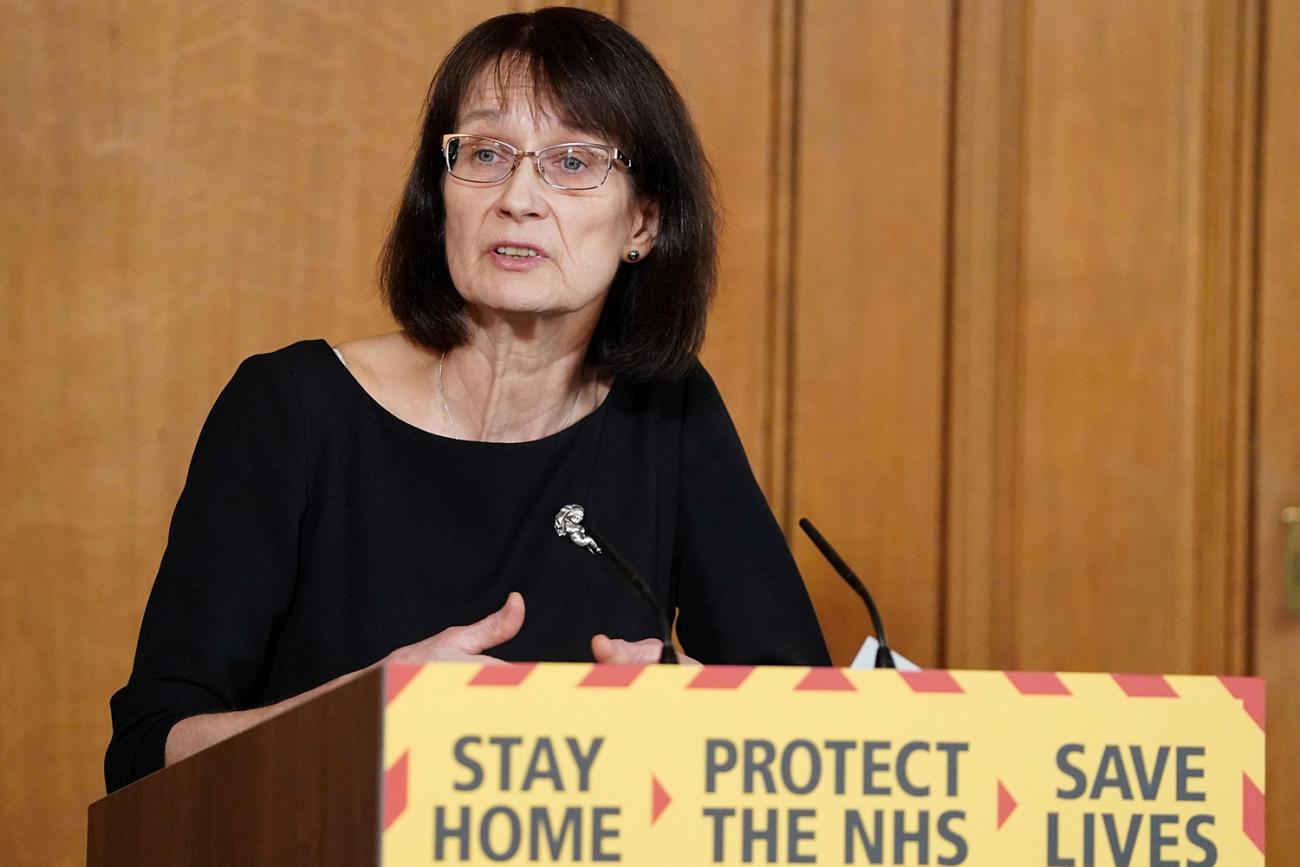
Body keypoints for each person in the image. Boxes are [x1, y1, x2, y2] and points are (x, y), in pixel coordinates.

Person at [105, 6, 829, 794]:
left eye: (573, 161)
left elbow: (805, 719)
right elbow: (149, 750)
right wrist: (365, 707)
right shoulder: (291, 412)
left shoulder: (669, 415)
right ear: (439, 193)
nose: (518, 196)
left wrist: (692, 702)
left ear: (644, 223)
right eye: (486, 152)